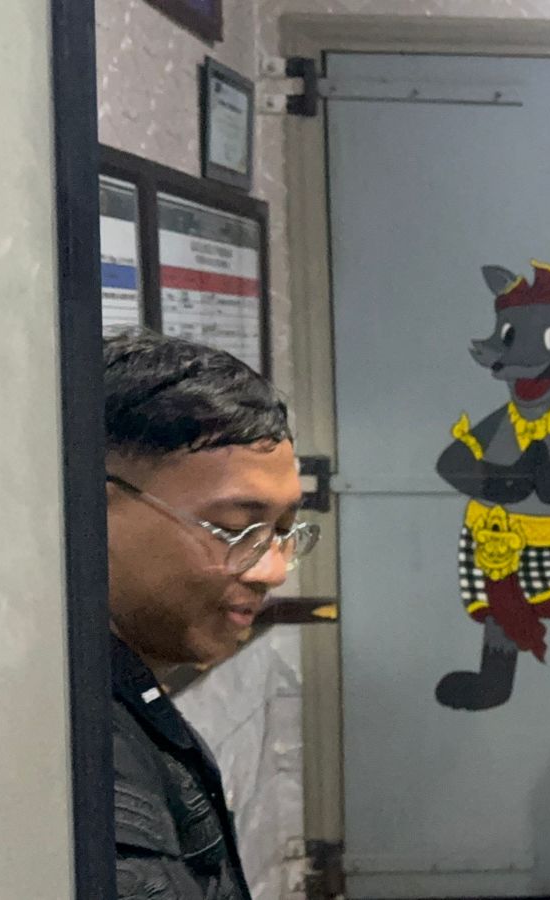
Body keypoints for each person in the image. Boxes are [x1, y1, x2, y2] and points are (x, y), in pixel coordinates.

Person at [106, 330, 319, 899]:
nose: (273, 570)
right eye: (234, 530)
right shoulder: (71, 763)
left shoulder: (127, 701)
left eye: (282, 532)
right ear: (89, 506)